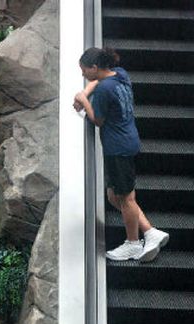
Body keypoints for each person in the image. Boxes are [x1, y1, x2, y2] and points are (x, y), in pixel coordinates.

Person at [73, 47, 169, 262]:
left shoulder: (104, 91)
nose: (83, 75)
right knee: (114, 196)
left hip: (118, 149)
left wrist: (83, 99)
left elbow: (97, 120)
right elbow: (96, 82)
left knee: (126, 199)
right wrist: (87, 92)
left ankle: (133, 244)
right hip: (128, 140)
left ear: (95, 68)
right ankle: (150, 232)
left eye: (84, 70)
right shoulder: (120, 74)